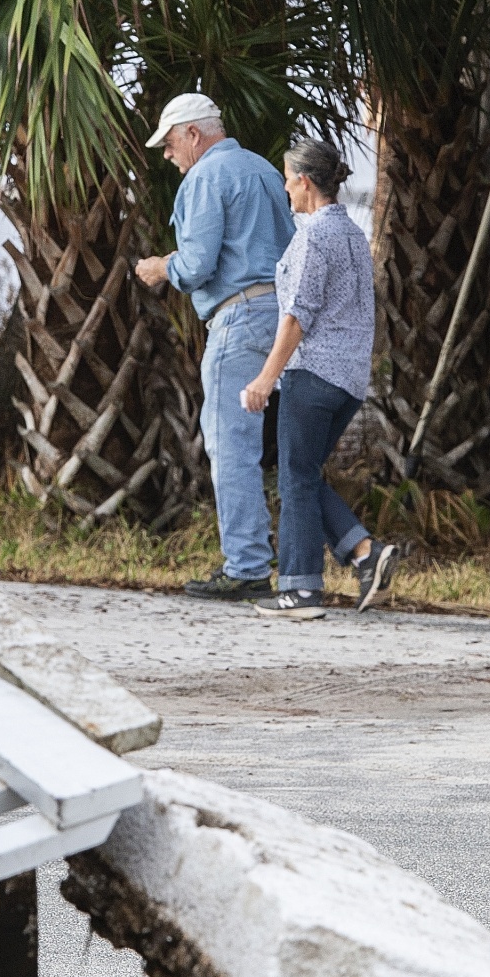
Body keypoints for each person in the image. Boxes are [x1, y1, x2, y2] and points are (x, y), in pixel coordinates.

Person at [134, 93, 294, 600]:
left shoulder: (205, 177)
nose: (168, 156)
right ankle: (310, 562)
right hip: (282, 318)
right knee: (284, 448)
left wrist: (162, 267)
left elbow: (198, 263)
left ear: (193, 135)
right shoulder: (266, 170)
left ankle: (247, 568)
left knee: (232, 445)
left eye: (169, 144)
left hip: (240, 318)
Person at [241, 137, 398, 619]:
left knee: (294, 478)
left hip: (312, 374)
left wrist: (265, 379)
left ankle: (300, 591)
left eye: (288, 178)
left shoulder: (313, 238)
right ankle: (363, 552)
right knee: (302, 474)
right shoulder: (351, 233)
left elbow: (296, 318)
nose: (286, 188)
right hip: (349, 380)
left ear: (305, 182)